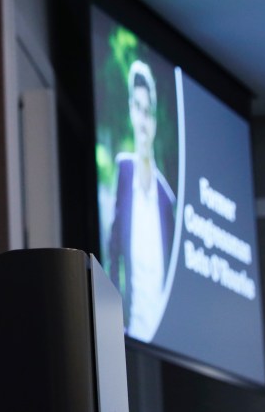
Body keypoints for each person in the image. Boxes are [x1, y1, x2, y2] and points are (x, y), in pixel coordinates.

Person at [108, 59, 175, 343]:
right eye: (138, 108)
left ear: (154, 120)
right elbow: (112, 253)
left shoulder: (166, 199)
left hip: (162, 336)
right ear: (131, 111)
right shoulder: (124, 171)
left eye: (148, 112)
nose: (143, 121)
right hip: (128, 335)